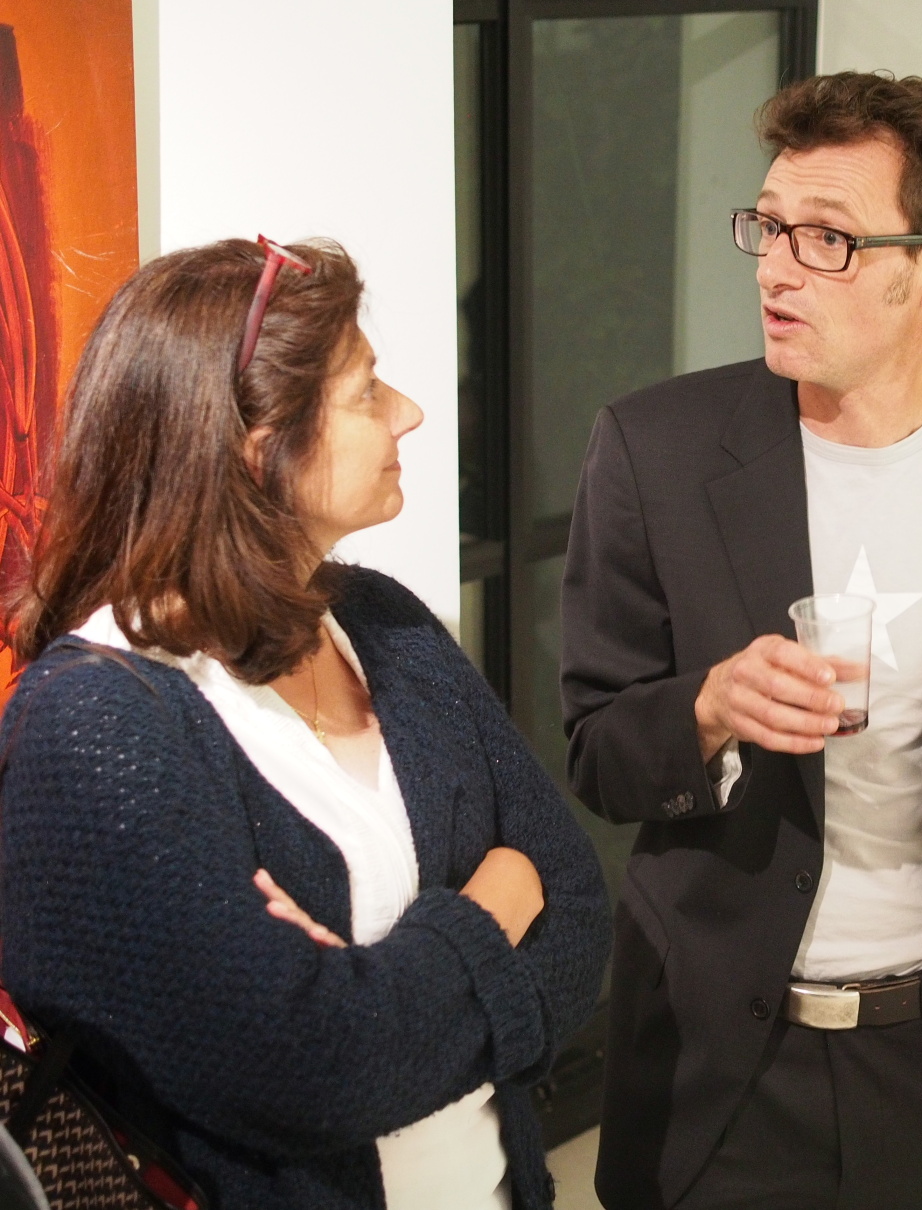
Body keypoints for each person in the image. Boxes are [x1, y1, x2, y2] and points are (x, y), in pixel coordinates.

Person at [561, 71, 922, 1210]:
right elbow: (595, 750)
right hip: (723, 1059)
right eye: (769, 227)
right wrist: (706, 711)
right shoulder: (654, 448)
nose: (776, 269)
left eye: (827, 239)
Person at [0, 237, 610, 1210]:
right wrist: (495, 903)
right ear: (258, 447)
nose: (408, 412)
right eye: (366, 390)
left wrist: (378, 995)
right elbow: (319, 1069)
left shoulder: (382, 621)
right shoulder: (92, 725)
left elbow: (577, 907)